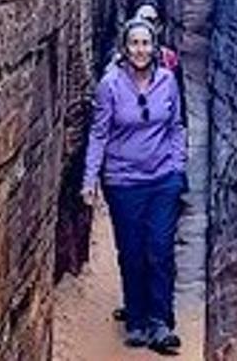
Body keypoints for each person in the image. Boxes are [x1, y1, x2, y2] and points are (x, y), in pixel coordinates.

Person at [83, 18, 186, 354]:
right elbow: (99, 134)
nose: (140, 49)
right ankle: (137, 319)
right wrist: (90, 179)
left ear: (154, 47)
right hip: (123, 182)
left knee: (159, 249)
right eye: (134, 43)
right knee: (131, 251)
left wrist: (178, 167)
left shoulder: (168, 81)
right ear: (124, 49)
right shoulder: (110, 85)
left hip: (162, 180)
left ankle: (158, 321)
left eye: (146, 43)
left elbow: (176, 126)